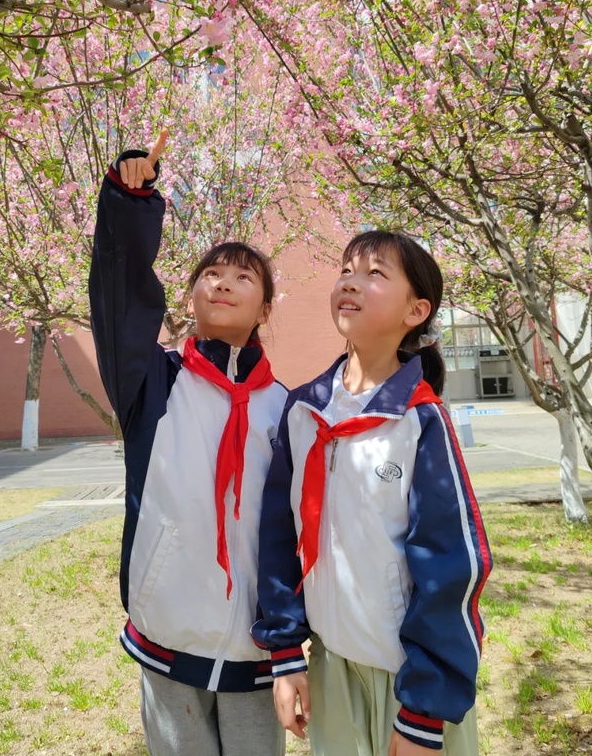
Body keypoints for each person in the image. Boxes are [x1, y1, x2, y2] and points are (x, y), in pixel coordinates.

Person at [252, 230, 492, 755]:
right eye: (345, 270)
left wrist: (424, 712)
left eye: (375, 274)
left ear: (416, 310)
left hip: (407, 682)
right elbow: (279, 539)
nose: (351, 283)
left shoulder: (420, 421)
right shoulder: (304, 412)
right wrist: (286, 652)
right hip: (332, 667)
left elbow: (451, 567)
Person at [88, 131, 287, 756]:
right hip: (169, 624)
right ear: (192, 294)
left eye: (242, 277)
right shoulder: (151, 382)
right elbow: (117, 301)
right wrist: (130, 202)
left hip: (257, 640)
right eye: (210, 274)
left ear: (265, 307)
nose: (223, 284)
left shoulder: (287, 408)